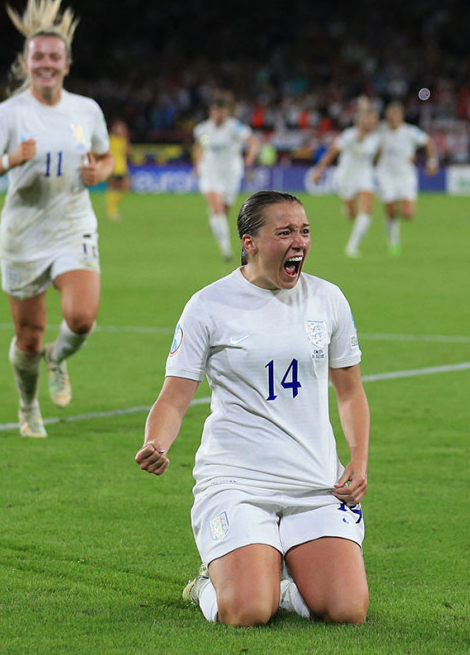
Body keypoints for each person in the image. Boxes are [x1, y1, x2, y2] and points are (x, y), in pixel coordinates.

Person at [136, 190, 370, 627]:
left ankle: (280, 583)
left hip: (315, 480)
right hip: (237, 481)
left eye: (304, 231)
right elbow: (174, 396)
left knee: (347, 610)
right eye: (285, 232)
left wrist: (358, 460)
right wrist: (157, 442)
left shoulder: (328, 299)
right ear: (250, 243)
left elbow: (350, 392)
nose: (299, 242)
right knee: (247, 611)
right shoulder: (209, 305)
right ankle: (208, 585)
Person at [0, 0, 113, 438]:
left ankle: (59, 356)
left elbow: (106, 157)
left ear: (67, 64)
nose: (47, 63)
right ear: (26, 63)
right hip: (24, 235)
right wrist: (12, 159)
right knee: (28, 338)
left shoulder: (86, 111)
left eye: (54, 57)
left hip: (72, 226)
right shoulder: (9, 114)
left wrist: (99, 172)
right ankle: (28, 406)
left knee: (82, 318)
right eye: (39, 57)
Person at [193, 91, 260, 260]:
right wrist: (198, 165)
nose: (218, 115)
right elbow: (199, 147)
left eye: (221, 112)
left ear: (227, 112)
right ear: (211, 111)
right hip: (210, 171)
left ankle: (216, 223)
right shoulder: (203, 129)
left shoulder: (235, 127)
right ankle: (226, 249)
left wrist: (250, 157)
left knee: (224, 209)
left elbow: (253, 142)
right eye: (215, 111)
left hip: (231, 173)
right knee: (217, 208)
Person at [311, 104, 381, 258]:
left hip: (365, 175)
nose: (371, 123)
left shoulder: (377, 138)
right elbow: (332, 152)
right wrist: (319, 170)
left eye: (374, 120)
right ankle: (347, 206)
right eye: (369, 119)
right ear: (361, 120)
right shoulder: (348, 135)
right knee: (352, 215)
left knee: (367, 210)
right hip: (346, 176)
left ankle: (352, 247)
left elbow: (378, 156)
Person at [375, 101, 439, 256]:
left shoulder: (410, 132)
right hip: (386, 174)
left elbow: (428, 142)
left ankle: (397, 204)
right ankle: (393, 242)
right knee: (390, 211)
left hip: (405, 175)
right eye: (390, 115)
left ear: (401, 116)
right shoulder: (381, 130)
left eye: (395, 115)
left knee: (408, 214)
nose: (392, 118)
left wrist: (432, 162)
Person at [105, 119, 130, 221]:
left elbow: (128, 152)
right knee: (113, 187)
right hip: (113, 167)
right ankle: (111, 210)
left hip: (122, 167)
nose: (120, 130)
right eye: (118, 128)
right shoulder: (110, 140)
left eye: (122, 128)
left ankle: (114, 206)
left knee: (125, 188)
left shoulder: (123, 140)